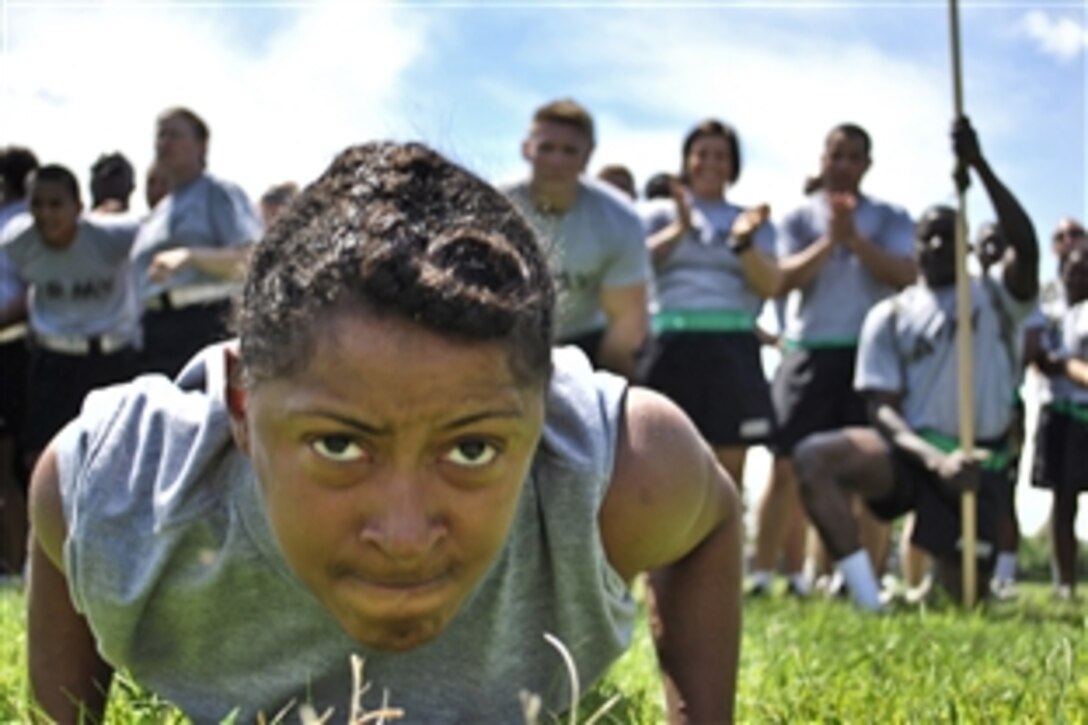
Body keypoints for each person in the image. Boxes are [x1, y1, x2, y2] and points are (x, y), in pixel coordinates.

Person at [27, 141, 742, 723]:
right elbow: (64, 495)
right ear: (242, 406)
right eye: (339, 445)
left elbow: (712, 517)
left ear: (540, 412)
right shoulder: (126, 491)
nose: (403, 536)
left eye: (472, 449)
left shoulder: (619, 475)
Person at [793, 116, 1038, 610]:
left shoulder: (994, 295)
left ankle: (952, 580)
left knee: (961, 598)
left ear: (967, 244)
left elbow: (1026, 245)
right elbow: (880, 409)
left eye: (949, 234)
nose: (935, 244)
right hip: (914, 457)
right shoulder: (890, 313)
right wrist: (932, 459)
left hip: (976, 465)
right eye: (926, 235)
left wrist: (980, 166)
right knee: (814, 456)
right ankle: (867, 596)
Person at [748, 123, 917, 598]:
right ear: (821, 160)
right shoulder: (797, 218)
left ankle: (858, 578)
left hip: (872, 357)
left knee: (867, 470)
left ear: (867, 164)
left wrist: (858, 242)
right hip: (808, 352)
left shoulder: (891, 216)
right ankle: (763, 576)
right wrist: (831, 240)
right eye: (835, 155)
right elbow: (780, 281)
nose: (842, 165)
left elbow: (908, 275)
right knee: (784, 466)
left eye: (853, 157)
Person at [640, 118, 780, 492]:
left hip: (734, 347)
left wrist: (744, 243)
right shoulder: (656, 214)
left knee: (728, 469)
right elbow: (633, 268)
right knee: (663, 460)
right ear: (687, 160)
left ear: (733, 165)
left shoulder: (753, 221)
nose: (711, 163)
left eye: (721, 155)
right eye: (701, 153)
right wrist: (680, 229)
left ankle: (722, 548)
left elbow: (771, 283)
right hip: (672, 343)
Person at [0, 164, 141, 468]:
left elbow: (154, 236)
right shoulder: (17, 242)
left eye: (56, 204)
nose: (45, 214)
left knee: (116, 462)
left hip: (110, 360)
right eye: (36, 204)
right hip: (51, 362)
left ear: (78, 207)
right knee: (41, 461)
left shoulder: (115, 236)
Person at [502, 98, 650, 380]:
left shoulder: (620, 220)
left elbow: (625, 324)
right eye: (547, 148)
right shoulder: (495, 206)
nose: (557, 161)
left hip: (586, 345)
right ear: (526, 149)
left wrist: (605, 395)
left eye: (569, 150)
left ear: (588, 155)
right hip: (510, 338)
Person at [131, 106, 262, 377]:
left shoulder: (218, 192)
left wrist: (191, 256)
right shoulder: (159, 211)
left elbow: (253, 259)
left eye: (175, 134)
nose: (164, 143)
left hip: (205, 323)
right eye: (160, 135)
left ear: (202, 145)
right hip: (157, 330)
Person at [1030, 223, 1088, 600]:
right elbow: (1038, 356)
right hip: (1057, 411)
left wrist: (1066, 366)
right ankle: (1063, 582)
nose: (1076, 277)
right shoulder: (1047, 308)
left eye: (1084, 271)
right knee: (1062, 498)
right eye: (1070, 270)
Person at [0, 145, 38, 579]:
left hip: (13, 350)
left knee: (10, 462)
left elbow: (33, 293)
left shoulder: (20, 227)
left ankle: (18, 568)